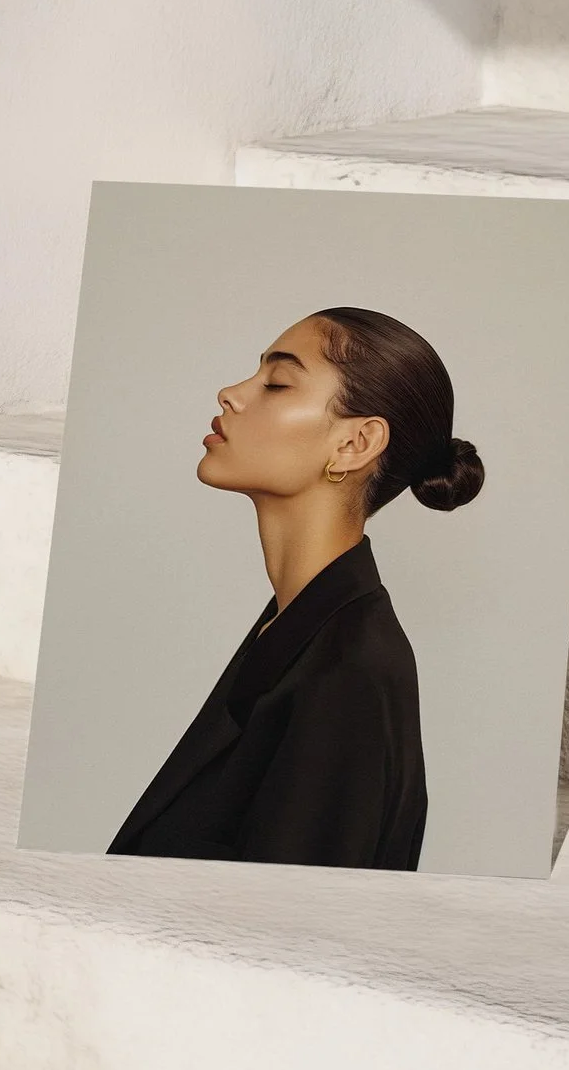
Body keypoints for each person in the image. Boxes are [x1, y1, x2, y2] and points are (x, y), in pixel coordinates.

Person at [108, 307, 483, 870]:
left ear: (355, 443)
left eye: (277, 382)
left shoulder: (348, 675)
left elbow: (294, 920)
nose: (231, 393)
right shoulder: (296, 631)